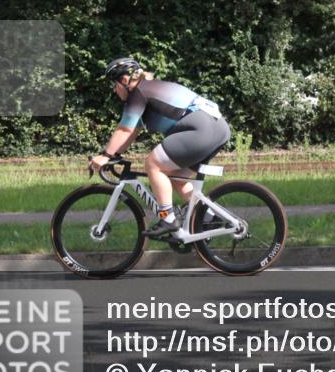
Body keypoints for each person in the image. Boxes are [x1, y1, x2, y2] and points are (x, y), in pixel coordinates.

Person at [89, 57, 231, 239]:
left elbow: (125, 129)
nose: (114, 90)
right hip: (218, 128)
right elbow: (132, 131)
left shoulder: (138, 93)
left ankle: (168, 218)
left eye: (114, 84)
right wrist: (114, 153)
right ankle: (211, 219)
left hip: (200, 130)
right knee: (175, 177)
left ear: (125, 81)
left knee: (153, 164)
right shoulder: (151, 88)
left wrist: (105, 155)